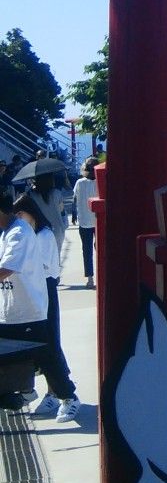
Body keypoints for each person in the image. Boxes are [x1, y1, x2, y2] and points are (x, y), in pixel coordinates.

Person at [17, 195, 80, 421]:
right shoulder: (24, 236)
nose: (18, 221)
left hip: (45, 290)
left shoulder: (43, 235)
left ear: (31, 213)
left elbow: (43, 267)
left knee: (50, 343)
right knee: (39, 346)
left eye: (20, 215)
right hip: (28, 294)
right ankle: (50, 392)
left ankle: (63, 394)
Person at [0, 188, 54, 411]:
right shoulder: (4, 231)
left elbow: (6, 268)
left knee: (48, 358)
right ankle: (23, 392)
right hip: (9, 310)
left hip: (29, 308)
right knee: (10, 358)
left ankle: (67, 396)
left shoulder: (19, 232)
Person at [73, 155, 98, 287]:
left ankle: (90, 278)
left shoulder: (79, 182)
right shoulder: (100, 181)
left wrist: (73, 214)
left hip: (83, 220)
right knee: (99, 248)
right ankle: (100, 272)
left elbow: (75, 199)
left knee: (86, 250)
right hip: (98, 220)